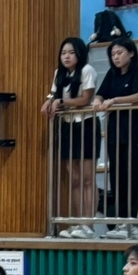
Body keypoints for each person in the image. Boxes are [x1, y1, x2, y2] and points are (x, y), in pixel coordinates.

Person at [41, 38, 98, 238]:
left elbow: (85, 99)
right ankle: (78, 222)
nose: (66, 56)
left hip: (86, 124)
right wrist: (48, 102)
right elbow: (53, 94)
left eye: (71, 53)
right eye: (63, 53)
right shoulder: (60, 73)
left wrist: (61, 102)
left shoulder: (87, 70)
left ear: (79, 54)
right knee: (74, 178)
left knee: (87, 178)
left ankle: (89, 224)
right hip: (67, 126)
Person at [95, 37, 138, 240]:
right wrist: (98, 100)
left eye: (119, 53)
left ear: (131, 53)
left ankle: (133, 222)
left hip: (135, 131)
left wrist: (114, 100)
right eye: (113, 54)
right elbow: (101, 94)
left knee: (133, 178)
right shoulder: (112, 74)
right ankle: (120, 221)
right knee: (117, 178)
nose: (116, 57)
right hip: (115, 133)